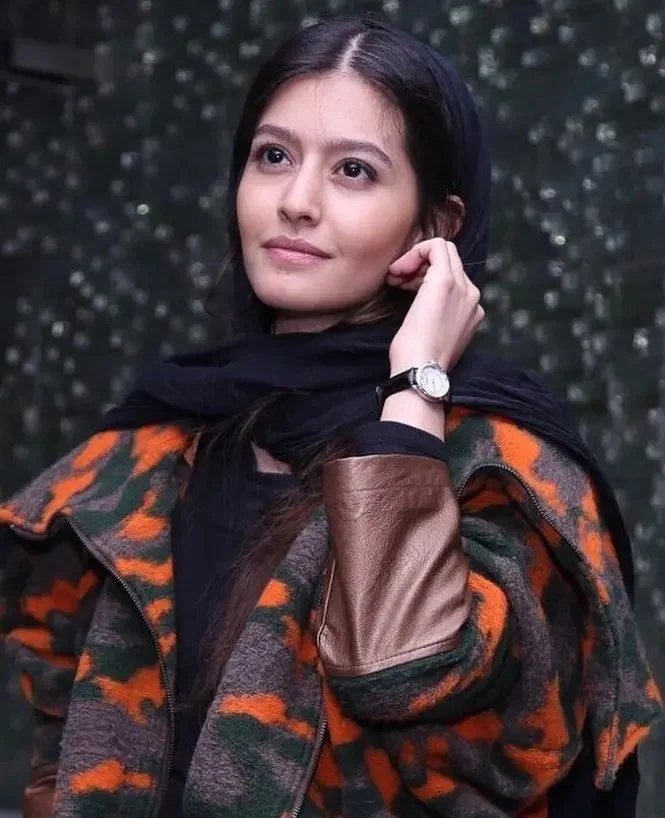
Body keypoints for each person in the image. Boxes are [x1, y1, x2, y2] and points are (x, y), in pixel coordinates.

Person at [0, 14, 661, 818]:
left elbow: (402, 672)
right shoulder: (154, 444)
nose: (296, 202)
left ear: (435, 228)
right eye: (273, 157)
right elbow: (62, 746)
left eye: (353, 170)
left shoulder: (501, 468)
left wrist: (413, 390)